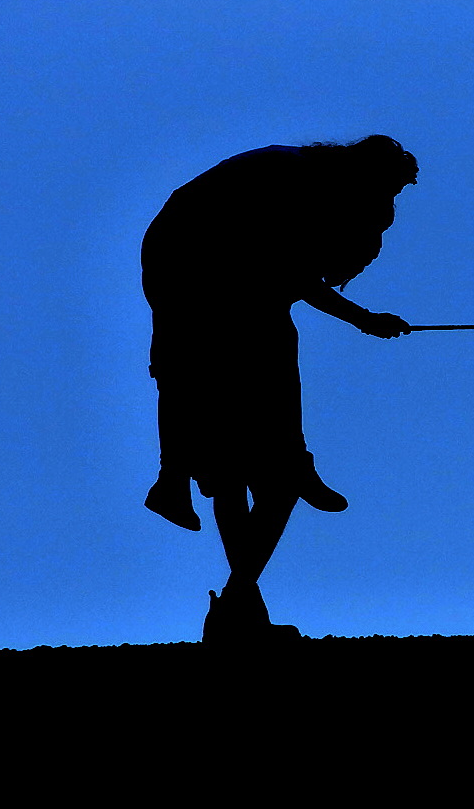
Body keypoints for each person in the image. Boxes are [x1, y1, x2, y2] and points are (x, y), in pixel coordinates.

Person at [140, 134, 417, 644]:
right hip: (201, 270)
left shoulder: (305, 179)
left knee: (230, 463)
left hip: (184, 264)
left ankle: (234, 589)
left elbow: (289, 273)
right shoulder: (302, 186)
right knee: (262, 456)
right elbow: (290, 273)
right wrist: (362, 318)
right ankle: (275, 468)